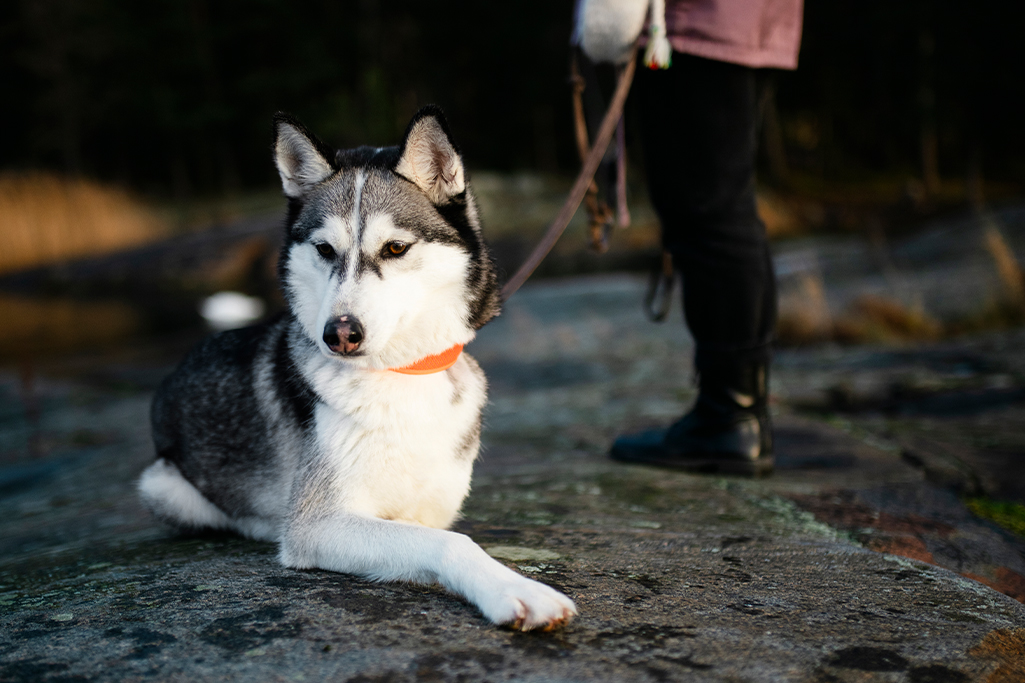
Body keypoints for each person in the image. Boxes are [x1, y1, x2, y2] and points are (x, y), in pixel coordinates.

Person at [598, 0, 805, 476]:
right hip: (742, 21)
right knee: (721, 207)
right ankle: (737, 411)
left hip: (695, 23)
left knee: (709, 212)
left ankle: (730, 417)